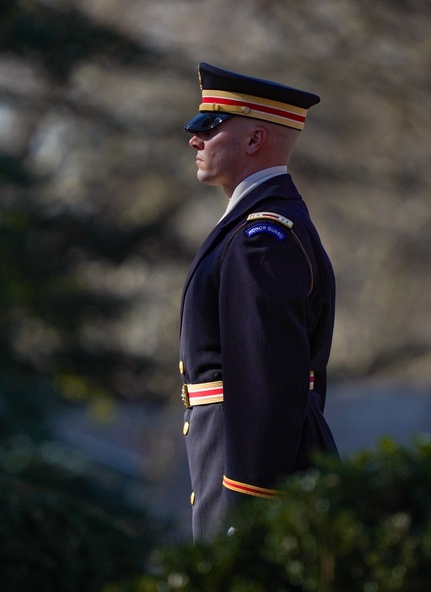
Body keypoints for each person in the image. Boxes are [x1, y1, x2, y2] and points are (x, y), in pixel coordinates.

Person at [178, 62, 338, 541]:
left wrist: (246, 507)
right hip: (231, 461)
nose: (194, 139)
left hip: (244, 480)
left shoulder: (260, 238)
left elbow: (270, 381)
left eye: (210, 126)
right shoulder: (260, 227)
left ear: (253, 142)